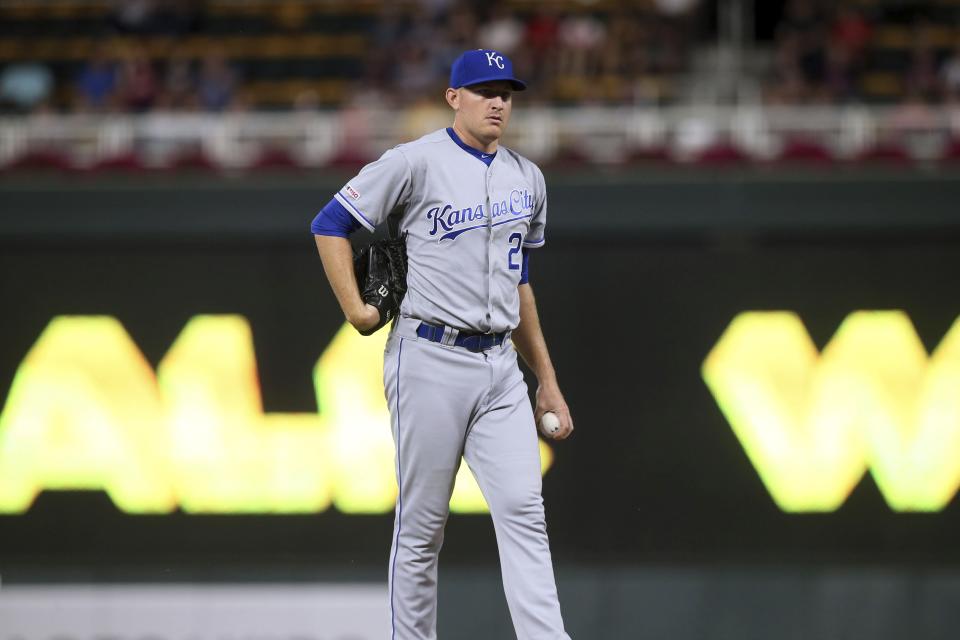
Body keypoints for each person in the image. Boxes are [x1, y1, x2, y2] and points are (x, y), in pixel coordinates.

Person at [311, 49, 574, 639]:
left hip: (501, 366)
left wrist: (547, 381)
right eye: (484, 91)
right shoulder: (414, 163)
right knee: (424, 526)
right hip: (428, 358)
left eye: (506, 92)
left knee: (525, 514)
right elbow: (329, 223)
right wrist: (356, 309)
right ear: (454, 98)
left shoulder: (527, 178)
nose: (498, 101)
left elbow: (520, 286)